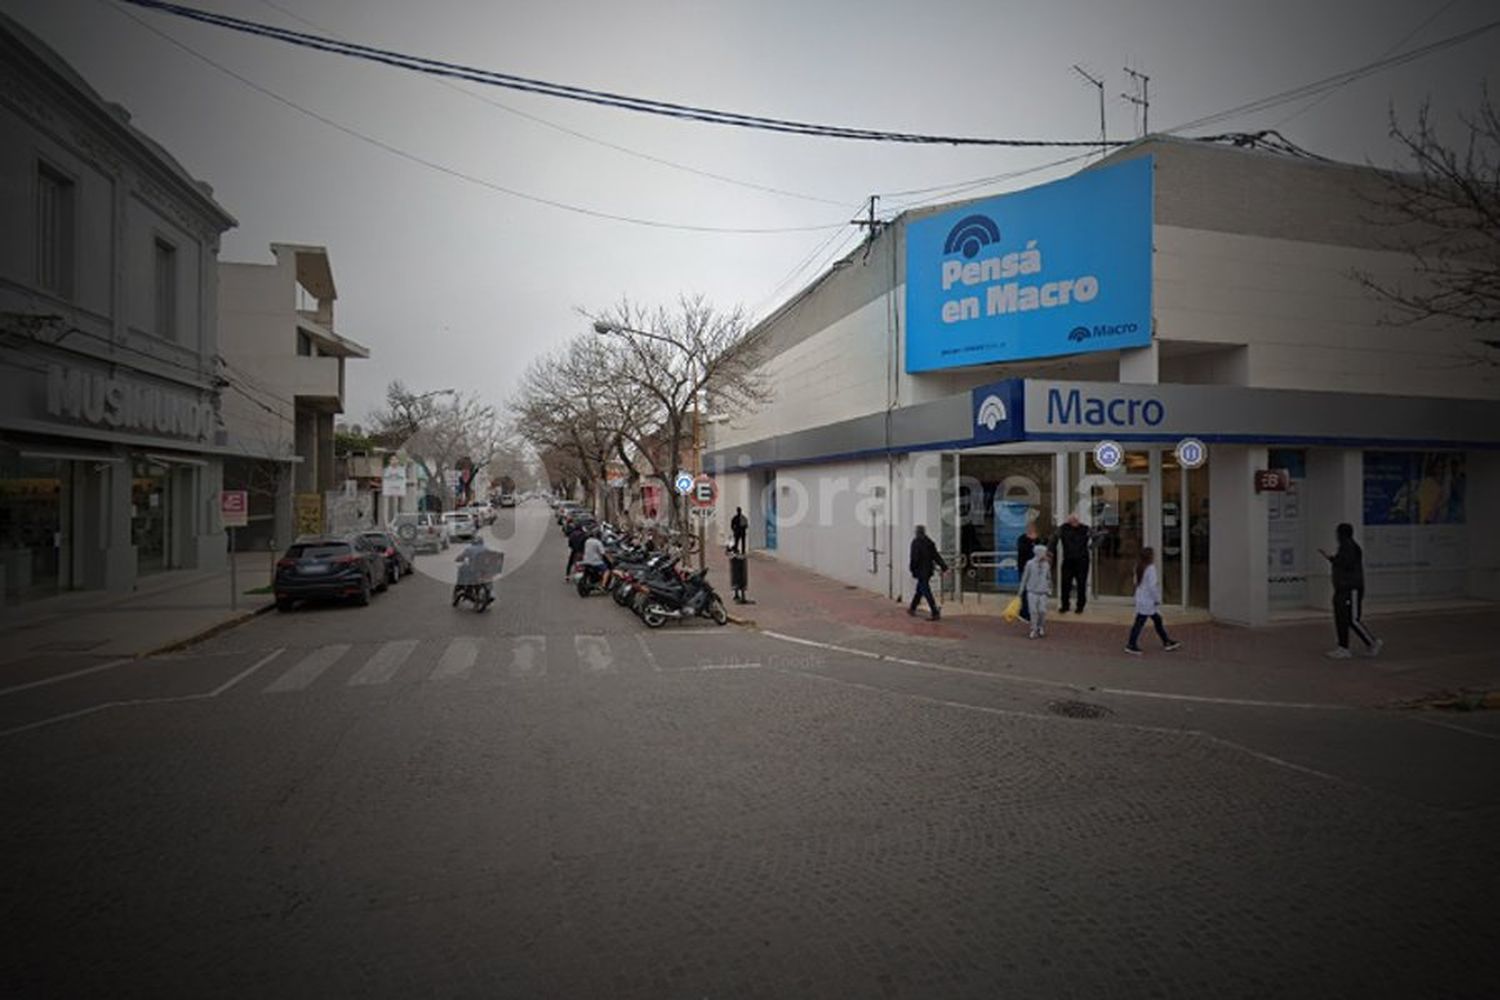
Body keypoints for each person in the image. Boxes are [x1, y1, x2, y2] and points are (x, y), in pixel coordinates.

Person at [1319, 522, 1382, 659]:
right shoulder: (1345, 547)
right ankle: (1343, 647)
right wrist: (1331, 558)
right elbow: (1341, 562)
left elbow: (1344, 563)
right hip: (1342, 589)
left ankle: (1372, 642)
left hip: (1350, 589)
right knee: (1341, 619)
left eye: (1337, 533)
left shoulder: (1350, 547)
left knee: (1352, 619)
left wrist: (1331, 559)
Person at [1125, 547, 1181, 655]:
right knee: (1140, 623)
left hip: (1141, 599)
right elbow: (1152, 586)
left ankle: (1166, 641)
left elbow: (1135, 582)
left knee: (1157, 620)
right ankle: (1131, 644)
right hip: (1148, 601)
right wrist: (1157, 599)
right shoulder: (1151, 569)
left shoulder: (1138, 566)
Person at [907, 525, 947, 621]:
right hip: (928, 571)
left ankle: (934, 611)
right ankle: (912, 607)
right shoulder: (929, 542)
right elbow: (936, 556)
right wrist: (944, 567)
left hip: (920, 571)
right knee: (919, 590)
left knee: (925, 591)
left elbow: (914, 558)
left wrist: (912, 569)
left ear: (916, 532)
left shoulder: (915, 543)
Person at [1054, 512, 1092, 614]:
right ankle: (1065, 605)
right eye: (1072, 520)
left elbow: (1097, 536)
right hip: (1068, 560)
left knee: (1081, 584)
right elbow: (1053, 539)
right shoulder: (1062, 528)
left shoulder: (1086, 529)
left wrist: (1092, 546)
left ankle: (1080, 606)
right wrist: (1049, 552)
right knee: (1065, 584)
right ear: (1068, 520)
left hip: (1082, 561)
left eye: (1076, 520)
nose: (1074, 522)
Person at [1018, 548, 1053, 639]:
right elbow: (1025, 577)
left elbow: (1049, 577)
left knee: (1042, 610)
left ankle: (1040, 626)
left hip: (1043, 592)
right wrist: (1021, 590)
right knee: (1033, 611)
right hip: (1032, 591)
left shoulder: (1046, 565)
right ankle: (1033, 629)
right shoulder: (1030, 564)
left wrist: (1049, 588)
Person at [454, 533, 494, 609]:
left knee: (463, 571)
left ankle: (464, 588)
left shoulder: (469, 549)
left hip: (473, 570)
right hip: (484, 570)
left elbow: (460, 557)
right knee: (489, 580)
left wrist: (458, 559)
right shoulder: (486, 548)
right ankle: (490, 594)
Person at [1016, 523, 1043, 622]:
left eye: (1033, 528)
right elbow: (1024, 551)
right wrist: (1032, 542)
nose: (1031, 529)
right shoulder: (1022, 539)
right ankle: (1025, 613)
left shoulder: (1039, 540)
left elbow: (1042, 552)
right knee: (1025, 592)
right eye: (1029, 528)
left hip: (1037, 570)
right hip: (1024, 569)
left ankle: (1034, 612)